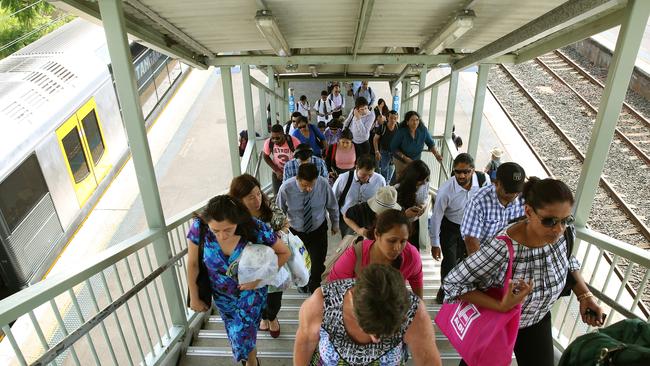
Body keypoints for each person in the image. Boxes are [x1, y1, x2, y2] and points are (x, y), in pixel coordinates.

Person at [444, 178, 605, 366]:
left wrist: (584, 295)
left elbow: (568, 261)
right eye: (550, 221)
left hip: (536, 320)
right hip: (497, 324)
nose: (559, 229)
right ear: (528, 212)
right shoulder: (502, 248)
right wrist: (501, 305)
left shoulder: (565, 235)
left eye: (565, 220)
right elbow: (452, 284)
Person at [187, 195, 290, 366]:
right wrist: (194, 296)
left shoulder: (254, 227)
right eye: (216, 230)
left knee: (243, 333)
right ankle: (250, 358)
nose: (222, 235)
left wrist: (258, 281)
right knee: (237, 333)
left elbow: (284, 253)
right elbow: (192, 264)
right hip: (222, 298)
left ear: (238, 220)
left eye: (228, 229)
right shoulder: (200, 227)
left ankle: (250, 362)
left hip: (251, 295)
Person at [294, 264, 442, 366]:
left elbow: (428, 361)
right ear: (352, 299)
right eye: (368, 326)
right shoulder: (323, 302)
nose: (376, 339)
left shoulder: (415, 311)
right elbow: (305, 343)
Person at [229, 174, 288, 338]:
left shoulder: (269, 207)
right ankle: (264, 316)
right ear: (239, 199)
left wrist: (278, 236)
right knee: (257, 298)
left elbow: (285, 223)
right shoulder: (233, 219)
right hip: (249, 270)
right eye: (250, 197)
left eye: (258, 193)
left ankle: (272, 316)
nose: (257, 200)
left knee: (274, 300)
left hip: (274, 263)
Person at [429, 153, 490, 303]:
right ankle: (445, 291)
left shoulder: (483, 182)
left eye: (466, 172)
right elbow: (436, 216)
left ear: (473, 170)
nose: (461, 175)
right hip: (451, 228)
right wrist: (435, 243)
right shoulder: (446, 190)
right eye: (458, 172)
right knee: (450, 261)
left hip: (473, 228)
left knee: (467, 261)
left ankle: (462, 293)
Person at [330, 209, 424, 296]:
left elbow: (416, 281)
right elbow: (333, 292)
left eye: (403, 241)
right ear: (377, 234)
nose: (397, 248)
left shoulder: (411, 256)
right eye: (391, 241)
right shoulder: (353, 257)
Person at [277, 163, 339, 293]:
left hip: (318, 229)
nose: (309, 189)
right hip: (295, 232)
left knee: (317, 263)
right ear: (297, 179)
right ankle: (302, 284)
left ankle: (314, 289)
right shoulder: (286, 188)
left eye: (312, 185)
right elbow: (279, 211)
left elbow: (332, 205)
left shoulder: (323, 184)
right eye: (305, 185)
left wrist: (335, 223)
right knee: (299, 263)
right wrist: (280, 232)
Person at [460, 162, 526, 254]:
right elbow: (471, 240)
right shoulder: (478, 202)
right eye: (509, 191)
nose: (514, 195)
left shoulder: (525, 198)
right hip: (484, 255)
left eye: (517, 191)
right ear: (497, 183)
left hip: (512, 254)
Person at [332, 155, 386, 235]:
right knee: (348, 242)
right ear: (357, 168)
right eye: (364, 175)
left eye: (370, 175)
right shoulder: (343, 178)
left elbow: (383, 200)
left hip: (370, 220)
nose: (367, 178)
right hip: (347, 218)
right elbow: (333, 200)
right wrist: (334, 221)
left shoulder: (380, 180)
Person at [390, 111, 442, 179]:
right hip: (401, 159)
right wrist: (404, 157)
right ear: (407, 122)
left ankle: (392, 185)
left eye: (417, 120)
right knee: (401, 177)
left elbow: (430, 143)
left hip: (415, 159)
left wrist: (436, 154)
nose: (415, 122)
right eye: (412, 120)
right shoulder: (401, 132)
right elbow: (393, 147)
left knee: (413, 177)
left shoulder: (423, 130)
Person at [395, 160, 430, 250]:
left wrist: (423, 206)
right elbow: (392, 214)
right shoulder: (397, 189)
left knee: (413, 251)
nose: (424, 183)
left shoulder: (425, 184)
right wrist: (405, 214)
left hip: (414, 224)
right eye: (421, 180)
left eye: (426, 179)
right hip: (400, 226)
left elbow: (426, 198)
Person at [263, 124, 302, 195]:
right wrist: (276, 170)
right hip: (277, 174)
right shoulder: (269, 143)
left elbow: (301, 157)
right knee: (278, 197)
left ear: (283, 134)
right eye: (273, 138)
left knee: (294, 195)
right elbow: (265, 156)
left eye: (278, 138)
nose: (275, 140)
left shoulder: (294, 142)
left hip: (293, 173)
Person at [373, 110, 399, 183]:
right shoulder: (382, 127)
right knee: (384, 169)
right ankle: (384, 184)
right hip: (384, 151)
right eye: (391, 118)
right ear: (387, 117)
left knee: (391, 168)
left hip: (394, 152)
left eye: (395, 118)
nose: (393, 120)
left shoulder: (398, 127)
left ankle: (387, 182)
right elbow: (375, 139)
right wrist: (377, 151)